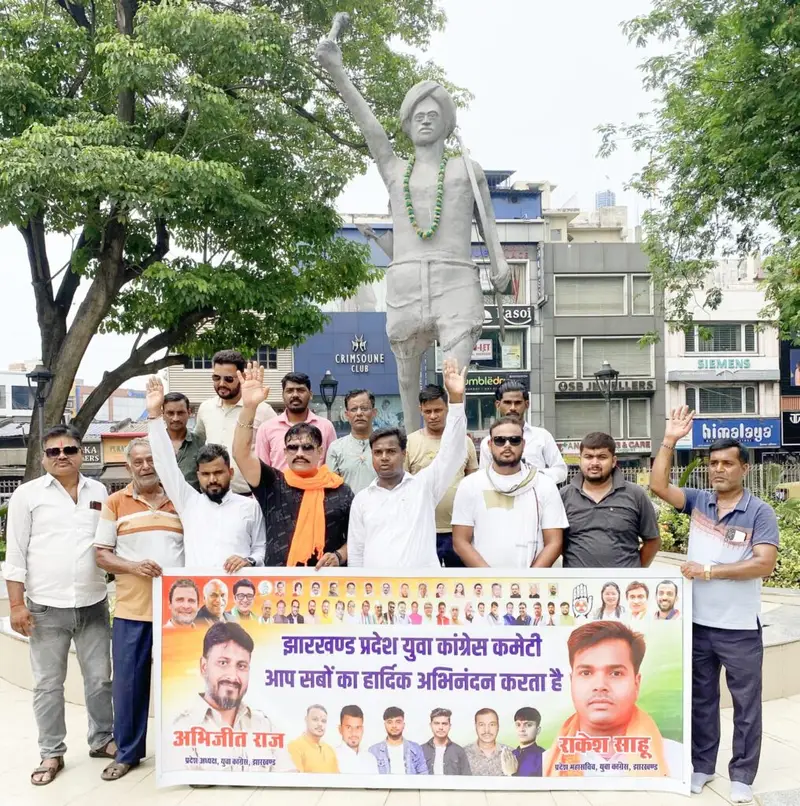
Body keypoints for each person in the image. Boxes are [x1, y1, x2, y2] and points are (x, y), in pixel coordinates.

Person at [651, 409, 779, 802]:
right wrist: (669, 440)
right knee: (702, 703)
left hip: (740, 629)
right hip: (698, 625)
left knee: (746, 706)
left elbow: (764, 563)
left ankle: (742, 775)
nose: (718, 470)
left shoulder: (759, 512)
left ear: (744, 468)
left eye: (727, 463)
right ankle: (702, 767)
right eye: (713, 464)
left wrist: (708, 570)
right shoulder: (699, 502)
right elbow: (658, 485)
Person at [4, 424, 115, 786]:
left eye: (69, 450)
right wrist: (16, 605)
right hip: (45, 608)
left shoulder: (99, 491)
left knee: (100, 680)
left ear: (81, 453)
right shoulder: (27, 495)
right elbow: (16, 553)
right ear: (44, 458)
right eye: (54, 451)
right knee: (48, 685)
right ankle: (51, 752)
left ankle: (102, 740)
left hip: (93, 603)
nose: (62, 456)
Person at [93, 437, 184, 780]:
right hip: (133, 611)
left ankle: (183, 753)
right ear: (128, 466)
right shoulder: (115, 503)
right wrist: (133, 566)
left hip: (178, 614)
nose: (146, 466)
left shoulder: (181, 500)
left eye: (151, 460)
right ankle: (127, 754)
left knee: (181, 684)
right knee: (129, 687)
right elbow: (102, 554)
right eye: (138, 461)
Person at [347, 359, 468, 568]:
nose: (384, 457)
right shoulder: (362, 500)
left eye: (391, 451)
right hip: (376, 587)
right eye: (378, 452)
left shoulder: (423, 487)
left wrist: (456, 400)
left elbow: (452, 454)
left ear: (404, 453)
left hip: (420, 587)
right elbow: (356, 552)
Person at [232, 362, 353, 567]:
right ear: (285, 453)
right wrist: (249, 408)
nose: (300, 453)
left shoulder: (340, 490)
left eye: (307, 447)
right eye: (293, 448)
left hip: (328, 581)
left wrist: (339, 555)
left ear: (320, 452)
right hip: (280, 581)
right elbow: (241, 453)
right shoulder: (273, 484)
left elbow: (358, 536)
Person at [146, 377, 265, 569]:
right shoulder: (188, 503)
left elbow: (260, 548)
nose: (212, 479)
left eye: (218, 472)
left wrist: (249, 560)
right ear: (198, 475)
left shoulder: (250, 507)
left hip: (240, 586)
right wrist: (154, 414)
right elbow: (165, 464)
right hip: (197, 587)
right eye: (205, 474)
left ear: (230, 472)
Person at [544, 621, 682, 778]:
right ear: (572, 682)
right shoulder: (543, 765)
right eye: (586, 673)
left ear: (636, 684)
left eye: (616, 673)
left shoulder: (675, 761)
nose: (600, 686)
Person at [171, 622, 294, 772]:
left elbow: (288, 775)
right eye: (223, 663)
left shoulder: (264, 725)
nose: (233, 676)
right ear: (204, 667)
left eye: (241, 666)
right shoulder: (181, 728)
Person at [453, 418, 567, 568]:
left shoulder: (544, 484)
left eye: (514, 440)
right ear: (490, 444)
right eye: (500, 440)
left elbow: (554, 542)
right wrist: (491, 579)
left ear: (523, 444)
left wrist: (530, 578)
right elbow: (460, 541)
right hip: (485, 580)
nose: (507, 445)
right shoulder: (470, 485)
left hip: (533, 580)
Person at [561, 433, 661, 568]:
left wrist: (634, 571)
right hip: (577, 580)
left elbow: (653, 542)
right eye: (588, 457)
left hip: (624, 580)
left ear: (613, 461)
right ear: (580, 460)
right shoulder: (564, 496)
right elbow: (555, 542)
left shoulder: (636, 495)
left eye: (602, 457)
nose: (594, 463)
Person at [405, 384, 479, 567]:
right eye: (428, 411)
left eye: (438, 410)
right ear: (420, 410)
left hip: (459, 530)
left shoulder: (464, 443)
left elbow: (473, 486)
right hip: (422, 529)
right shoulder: (409, 443)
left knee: (460, 581)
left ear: (447, 408)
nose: (433, 416)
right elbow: (403, 488)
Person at [193, 349, 277, 495]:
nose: (221, 384)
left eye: (228, 379)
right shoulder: (205, 408)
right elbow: (198, 442)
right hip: (212, 495)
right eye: (216, 378)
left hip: (251, 496)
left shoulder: (263, 410)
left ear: (242, 376)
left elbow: (277, 451)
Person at [478, 381, 567, 483]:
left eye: (517, 403)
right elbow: (484, 478)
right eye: (507, 402)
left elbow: (561, 471)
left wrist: (534, 476)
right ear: (498, 405)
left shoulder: (542, 436)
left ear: (527, 404)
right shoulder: (489, 442)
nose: (512, 408)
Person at [256, 372, 336, 470]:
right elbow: (262, 470)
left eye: (301, 390)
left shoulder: (326, 427)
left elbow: (332, 467)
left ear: (310, 395)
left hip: (317, 480)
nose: (295, 395)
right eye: (289, 391)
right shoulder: (266, 429)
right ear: (283, 395)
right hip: (279, 480)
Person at [327, 389, 378, 494]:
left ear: (374, 412)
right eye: (354, 409)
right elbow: (331, 489)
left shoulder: (385, 446)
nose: (359, 413)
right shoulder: (336, 448)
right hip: (348, 504)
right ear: (347, 414)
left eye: (364, 408)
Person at [162, 391, 205, 490]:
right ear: (163, 414)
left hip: (193, 499)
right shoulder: (152, 443)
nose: (175, 418)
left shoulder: (201, 444)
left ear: (189, 413)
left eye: (180, 413)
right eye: (170, 413)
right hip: (160, 499)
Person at [369, 707, 428, 775]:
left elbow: (424, 775)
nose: (394, 726)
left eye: (398, 722)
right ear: (385, 725)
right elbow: (370, 779)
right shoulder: (374, 751)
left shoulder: (415, 749)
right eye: (390, 722)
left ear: (403, 725)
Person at [464, 708, 515, 777]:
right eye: (481, 725)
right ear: (476, 727)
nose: (487, 730)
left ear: (498, 727)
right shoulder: (463, 754)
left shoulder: (512, 754)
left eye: (492, 724)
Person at [288, 705, 339, 773]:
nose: (320, 724)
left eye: (323, 721)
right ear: (306, 720)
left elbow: (338, 777)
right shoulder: (294, 746)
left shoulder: (330, 750)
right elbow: (297, 778)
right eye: (315, 719)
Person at [422, 708, 471, 775]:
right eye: (436, 723)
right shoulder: (421, 750)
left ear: (449, 726)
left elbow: (467, 777)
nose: (441, 727)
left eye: (444, 724)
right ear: (431, 725)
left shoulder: (459, 751)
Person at [336, 705, 379, 774]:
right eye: (348, 727)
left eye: (358, 727)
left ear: (362, 730)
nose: (354, 733)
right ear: (340, 729)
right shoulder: (333, 758)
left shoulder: (371, 759)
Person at [509, 707, 545, 777]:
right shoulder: (510, 756)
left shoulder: (544, 757)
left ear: (538, 730)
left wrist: (513, 774)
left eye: (528, 725)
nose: (521, 729)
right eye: (518, 725)